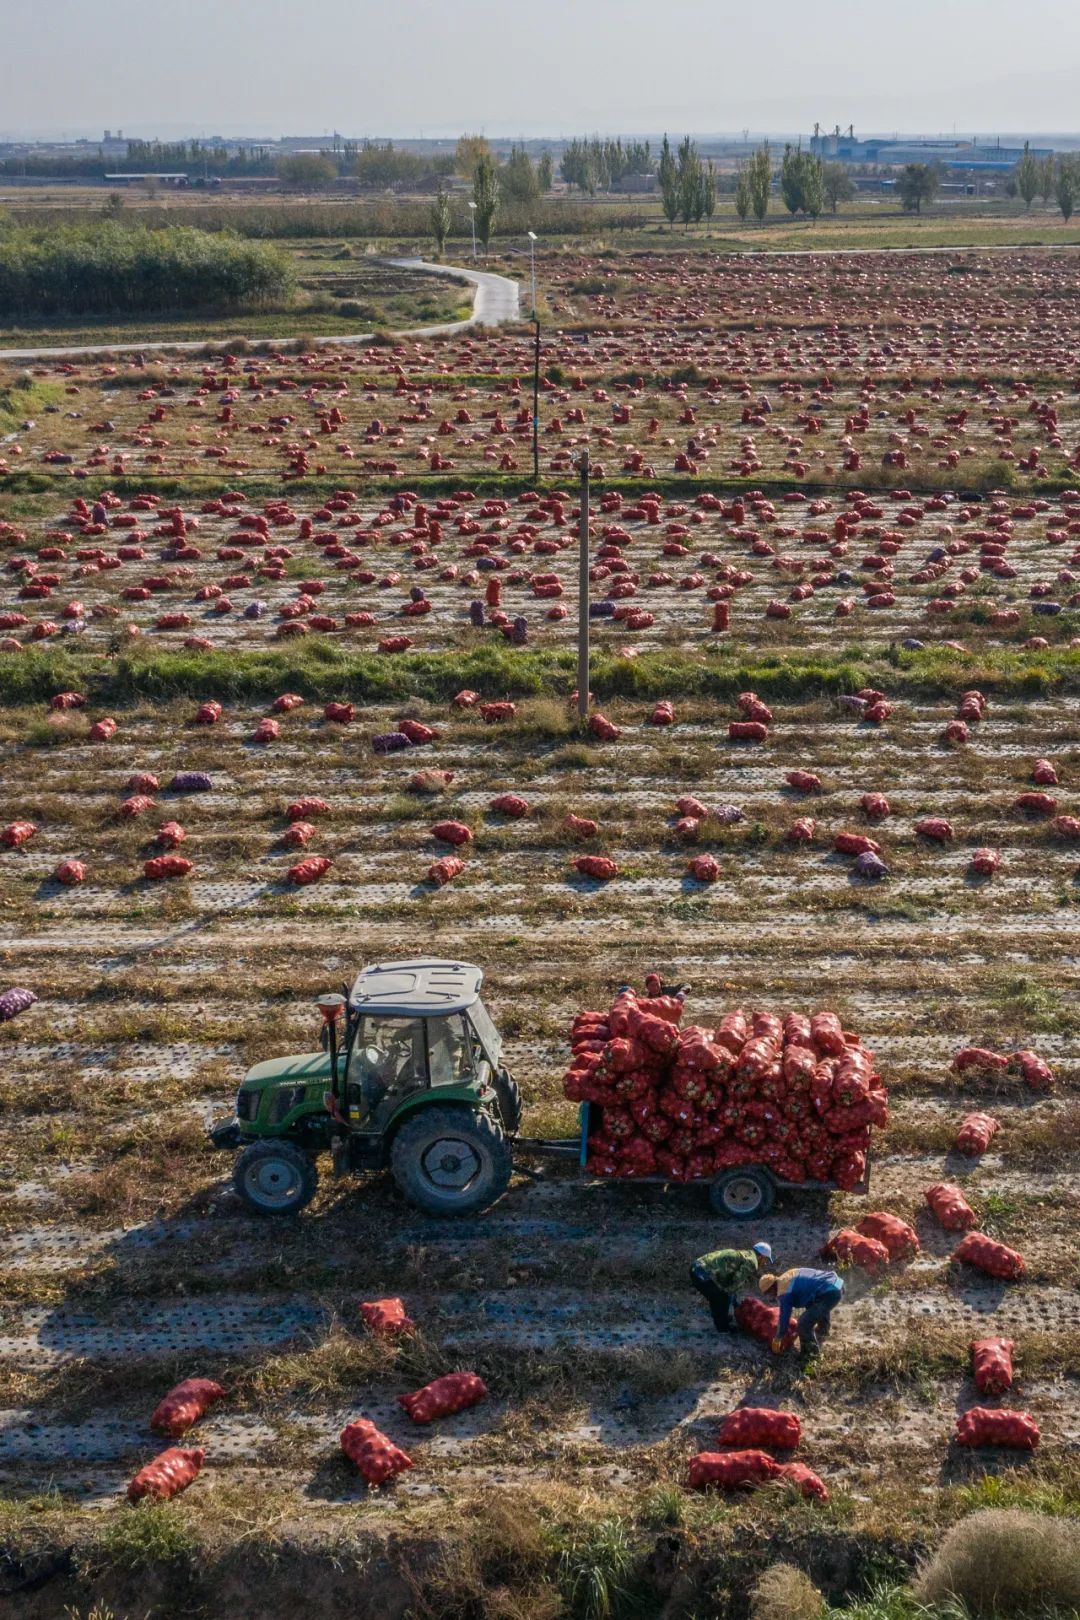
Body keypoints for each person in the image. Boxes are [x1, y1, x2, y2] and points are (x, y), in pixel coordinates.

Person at [690, 1241, 773, 1333]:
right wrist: (735, 1304)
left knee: (718, 1296)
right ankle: (723, 1328)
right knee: (721, 1298)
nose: (765, 1263)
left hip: (696, 1267)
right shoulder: (752, 1262)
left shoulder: (743, 1254)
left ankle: (722, 1320)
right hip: (701, 1273)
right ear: (761, 1257)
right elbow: (737, 1281)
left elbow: (726, 1277)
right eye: (766, 1260)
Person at [760, 1267, 845, 1356]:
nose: (770, 1296)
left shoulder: (784, 1291)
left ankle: (810, 1355)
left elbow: (784, 1316)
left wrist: (778, 1337)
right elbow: (809, 1290)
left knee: (803, 1324)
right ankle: (823, 1331)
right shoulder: (788, 1274)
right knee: (814, 1306)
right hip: (837, 1283)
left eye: (768, 1293)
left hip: (831, 1292)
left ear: (772, 1287)